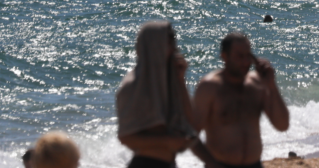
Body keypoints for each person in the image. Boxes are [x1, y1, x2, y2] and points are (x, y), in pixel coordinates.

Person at [117, 21, 215, 168]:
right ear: (154, 46)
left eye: (174, 43)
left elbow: (189, 124)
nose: (175, 49)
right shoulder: (133, 86)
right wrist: (166, 141)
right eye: (169, 44)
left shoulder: (168, 84)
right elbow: (125, 137)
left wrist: (181, 81)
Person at [194, 33, 290, 168]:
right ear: (224, 56)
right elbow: (191, 133)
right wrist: (210, 162)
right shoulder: (210, 87)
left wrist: (271, 86)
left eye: (248, 55)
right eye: (239, 56)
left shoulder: (257, 85)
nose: (246, 62)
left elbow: (282, 125)